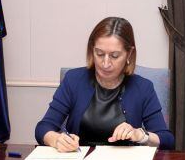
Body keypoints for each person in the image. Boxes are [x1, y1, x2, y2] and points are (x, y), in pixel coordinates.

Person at [35, 16, 174, 151]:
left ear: (129, 54)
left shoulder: (143, 87)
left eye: (114, 56)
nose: (105, 63)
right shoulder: (73, 80)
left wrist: (141, 135)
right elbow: (43, 128)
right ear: (92, 50)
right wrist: (56, 139)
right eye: (100, 54)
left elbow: (167, 140)